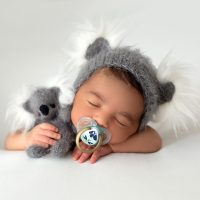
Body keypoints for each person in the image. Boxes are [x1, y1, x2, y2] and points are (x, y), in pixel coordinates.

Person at [4, 29, 199, 163]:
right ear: (76, 93)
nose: (102, 120)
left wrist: (113, 148)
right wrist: (28, 139)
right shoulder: (57, 115)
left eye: (122, 120)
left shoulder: (115, 141)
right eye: (93, 103)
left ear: (136, 127)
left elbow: (154, 140)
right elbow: (9, 141)